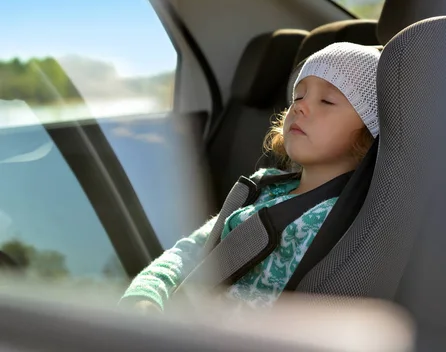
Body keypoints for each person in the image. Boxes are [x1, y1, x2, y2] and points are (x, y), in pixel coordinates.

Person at [120, 42, 380, 313]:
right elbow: (194, 249)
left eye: (327, 100)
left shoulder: (337, 222)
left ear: (368, 130)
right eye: (298, 97)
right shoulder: (262, 185)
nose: (300, 108)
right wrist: (148, 291)